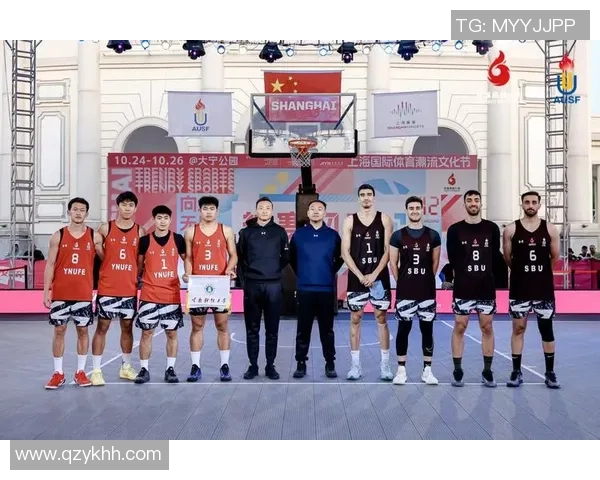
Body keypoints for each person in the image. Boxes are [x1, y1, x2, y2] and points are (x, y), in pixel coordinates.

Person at [43, 197, 104, 389]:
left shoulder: (95, 236)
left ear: (87, 213)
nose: (78, 213)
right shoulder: (58, 236)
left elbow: (105, 260)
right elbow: (50, 264)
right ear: (69, 212)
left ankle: (80, 372)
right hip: (61, 292)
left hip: (83, 293)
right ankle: (58, 373)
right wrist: (46, 291)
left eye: (82, 210)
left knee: (83, 331)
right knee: (59, 330)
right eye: (75, 209)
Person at [502, 191, 561, 389]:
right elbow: (508, 257)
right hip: (520, 288)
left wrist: (540, 274)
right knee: (518, 329)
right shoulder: (511, 229)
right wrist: (521, 272)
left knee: (546, 330)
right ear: (522, 204)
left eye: (534, 202)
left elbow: (554, 257)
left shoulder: (550, 229)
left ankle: (550, 372)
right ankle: (516, 371)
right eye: (527, 202)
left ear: (539, 205)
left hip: (543, 289)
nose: (530, 205)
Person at [446, 189, 501, 387]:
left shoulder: (492, 228)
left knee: (487, 327)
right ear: (465, 204)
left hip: (485, 287)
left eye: (476, 200)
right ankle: (457, 370)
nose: (473, 203)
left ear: (480, 203)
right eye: (469, 200)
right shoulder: (455, 230)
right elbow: (453, 258)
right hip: (463, 287)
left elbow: (495, 256)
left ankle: (487, 371)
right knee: (460, 326)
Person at [90, 191, 145, 385]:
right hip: (108, 287)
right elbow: (98, 252)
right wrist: (109, 264)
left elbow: (140, 260)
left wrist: (133, 275)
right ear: (118, 206)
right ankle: (96, 370)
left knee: (127, 327)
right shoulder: (105, 228)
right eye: (124, 204)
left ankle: (126, 367)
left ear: (135, 208)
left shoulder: (140, 231)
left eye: (131, 205)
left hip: (128, 288)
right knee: (102, 327)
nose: (127, 208)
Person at [341, 184, 393, 381]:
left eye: (369, 194)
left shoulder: (384, 219)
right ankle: (355, 366)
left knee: (381, 318)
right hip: (357, 278)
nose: (366, 198)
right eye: (362, 195)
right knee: (355, 318)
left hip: (379, 279)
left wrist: (374, 274)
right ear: (358, 198)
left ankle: (385, 366)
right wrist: (360, 274)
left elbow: (388, 251)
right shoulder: (349, 220)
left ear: (374, 197)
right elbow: (345, 252)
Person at [183, 196, 237, 382]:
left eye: (211, 208)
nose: (208, 212)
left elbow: (233, 255)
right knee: (197, 326)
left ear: (217, 211)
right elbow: (188, 257)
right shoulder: (191, 231)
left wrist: (229, 269)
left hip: (219, 284)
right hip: (198, 284)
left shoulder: (226, 230)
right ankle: (195, 366)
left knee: (222, 325)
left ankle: (225, 366)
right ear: (199, 211)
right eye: (205, 208)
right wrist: (187, 273)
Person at [388, 196, 440, 385]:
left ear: (422, 210)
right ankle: (401, 370)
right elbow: (393, 263)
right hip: (406, 292)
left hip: (426, 292)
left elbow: (435, 263)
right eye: (411, 208)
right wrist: (402, 281)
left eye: (418, 208)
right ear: (407, 211)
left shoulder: (433, 235)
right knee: (403, 330)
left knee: (427, 330)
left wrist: (425, 280)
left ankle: (427, 370)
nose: (415, 211)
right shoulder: (398, 235)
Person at [289, 200, 344, 379]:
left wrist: (329, 271)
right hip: (305, 289)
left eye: (320, 209)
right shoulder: (299, 235)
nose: (315, 212)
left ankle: (330, 363)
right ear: (308, 212)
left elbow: (341, 257)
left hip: (326, 289)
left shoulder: (333, 235)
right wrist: (303, 274)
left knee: (327, 330)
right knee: (302, 329)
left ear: (325, 213)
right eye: (312, 209)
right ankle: (301, 363)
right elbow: (292, 259)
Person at [237, 196, 290, 380]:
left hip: (273, 285)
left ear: (272, 211)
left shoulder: (280, 232)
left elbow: (285, 258)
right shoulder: (246, 232)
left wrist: (273, 271)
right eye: (261, 207)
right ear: (256, 210)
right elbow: (241, 257)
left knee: (272, 329)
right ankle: (253, 366)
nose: (264, 210)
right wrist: (248, 277)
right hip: (252, 285)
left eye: (268, 208)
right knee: (252, 329)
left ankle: (270, 365)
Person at [134, 205, 186, 384]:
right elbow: (139, 265)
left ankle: (170, 369)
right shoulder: (144, 241)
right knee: (146, 333)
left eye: (166, 218)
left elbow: (188, 259)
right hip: (149, 294)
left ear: (170, 220)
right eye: (159, 218)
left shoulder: (178, 239)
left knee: (171, 333)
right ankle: (144, 369)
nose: (162, 221)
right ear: (154, 220)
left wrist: (189, 275)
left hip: (171, 295)